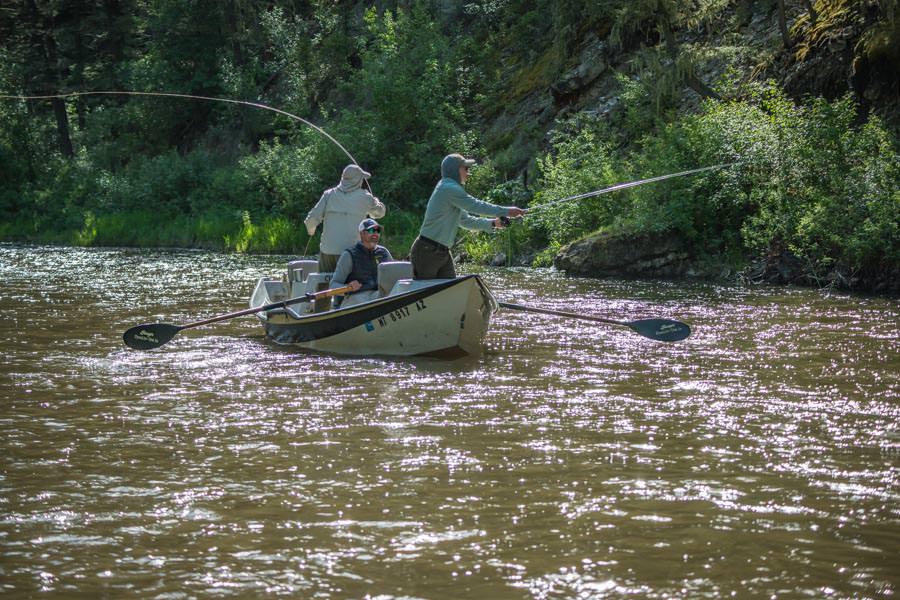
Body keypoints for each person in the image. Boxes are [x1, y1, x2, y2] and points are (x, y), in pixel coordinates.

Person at [410, 153, 525, 279]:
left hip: (442, 252)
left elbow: (465, 221)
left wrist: (493, 223)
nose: (468, 173)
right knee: (429, 296)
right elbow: (476, 206)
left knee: (451, 293)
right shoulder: (449, 188)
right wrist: (506, 211)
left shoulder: (450, 189)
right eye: (466, 169)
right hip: (427, 251)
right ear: (455, 170)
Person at [305, 164, 386, 272]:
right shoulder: (365, 197)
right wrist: (376, 201)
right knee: (351, 286)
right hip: (352, 253)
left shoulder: (329, 194)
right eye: (361, 179)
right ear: (357, 181)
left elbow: (311, 220)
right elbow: (379, 213)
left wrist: (311, 231)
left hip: (327, 252)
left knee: (323, 285)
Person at [329, 218, 394, 307]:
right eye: (371, 230)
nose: (375, 233)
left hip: (379, 296)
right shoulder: (349, 255)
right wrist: (348, 287)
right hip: (356, 299)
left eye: (377, 230)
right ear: (362, 234)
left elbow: (395, 276)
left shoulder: (384, 252)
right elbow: (333, 285)